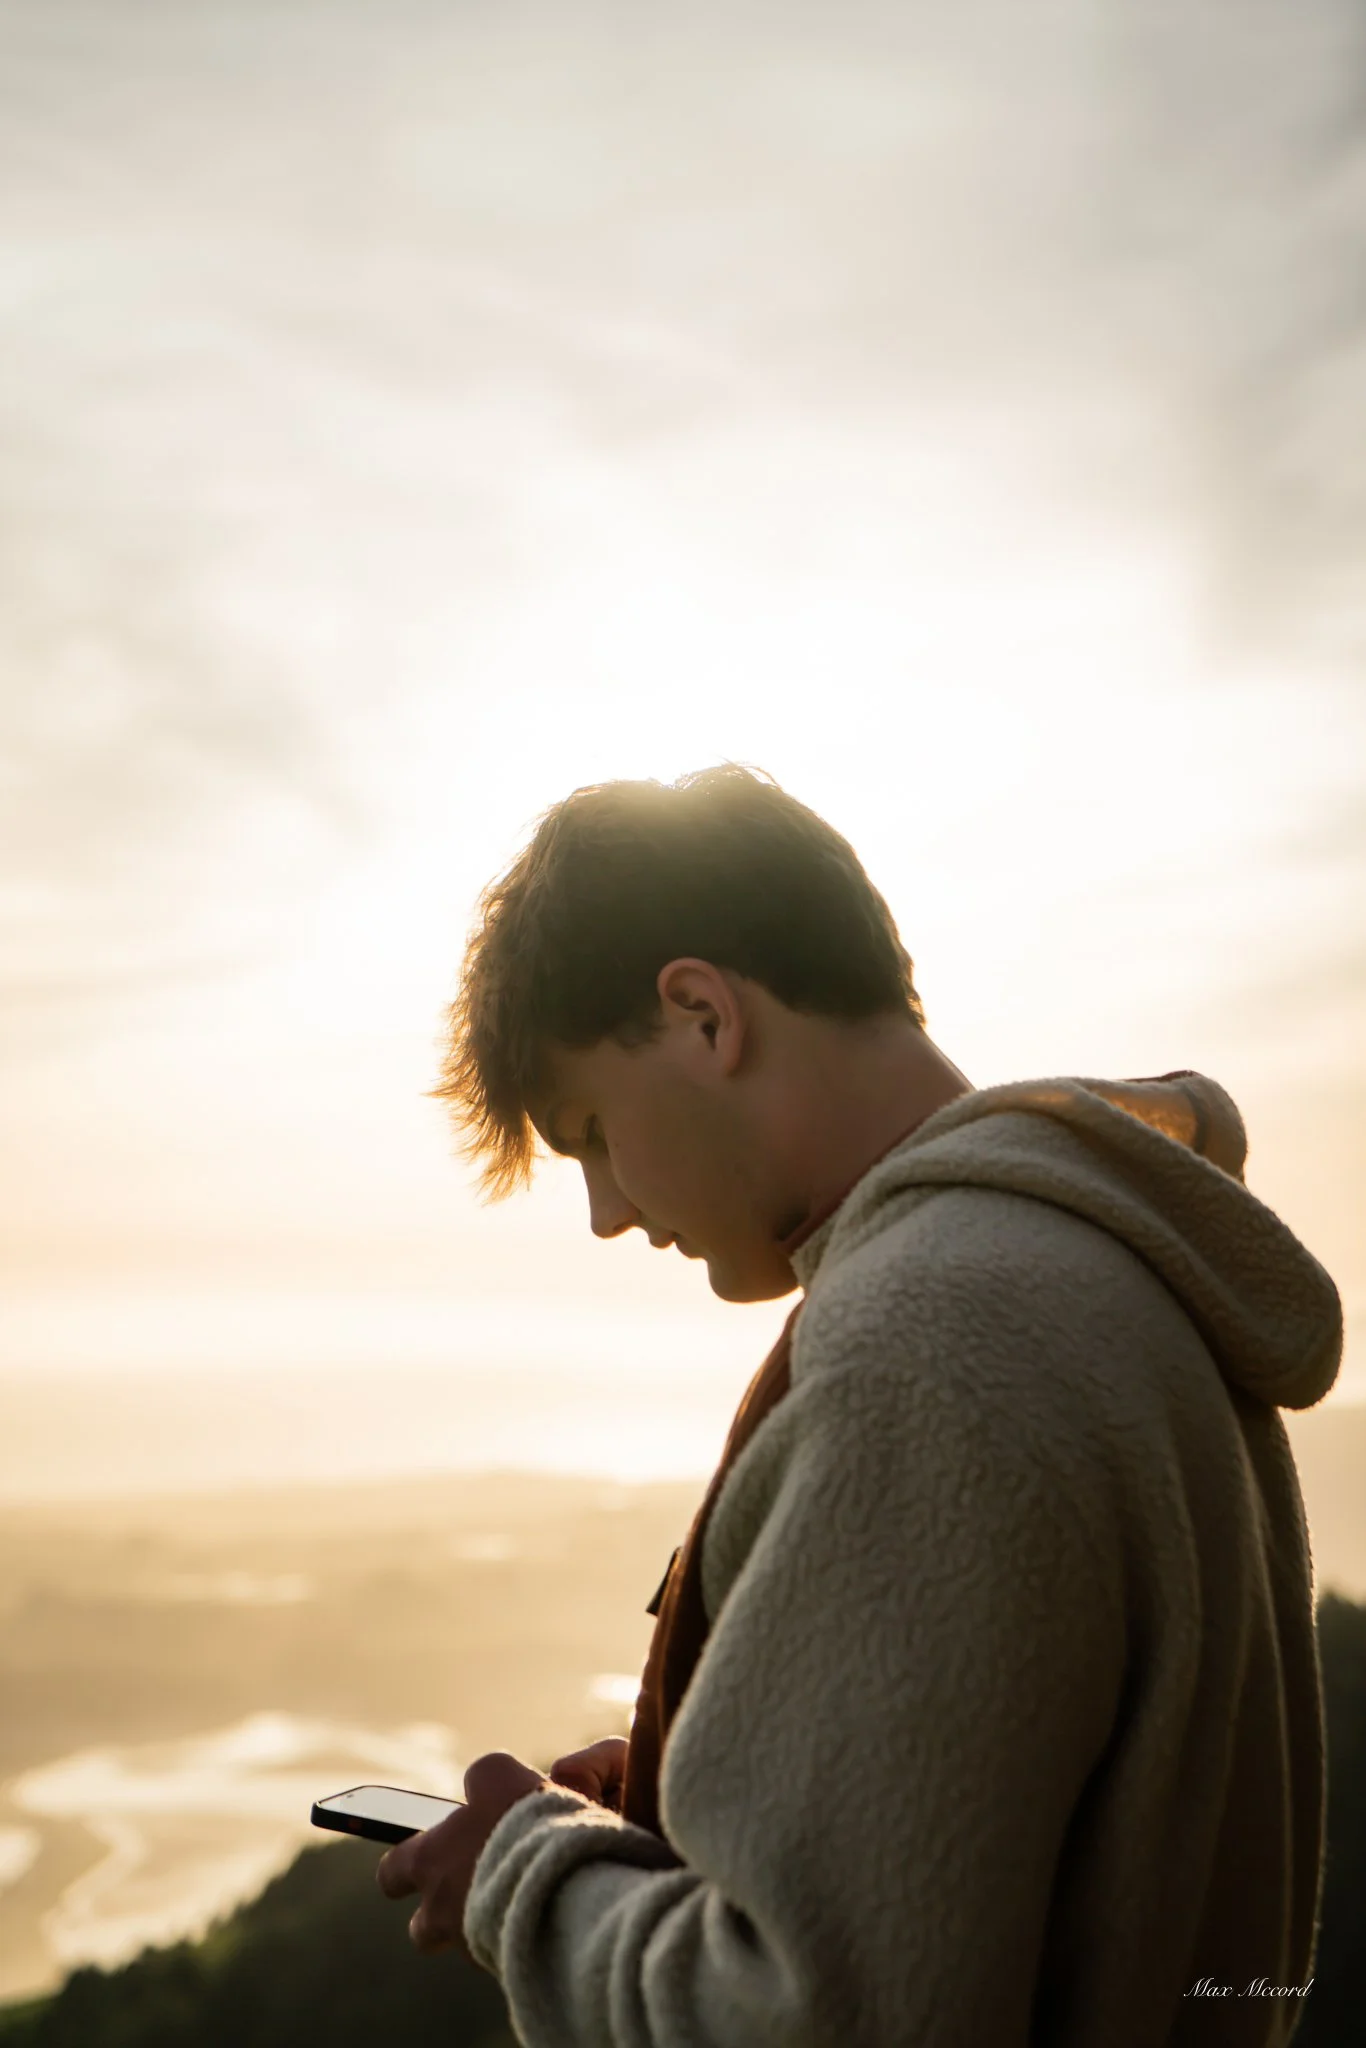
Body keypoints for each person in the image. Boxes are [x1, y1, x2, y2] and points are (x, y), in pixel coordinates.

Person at [375, 762, 1342, 2047]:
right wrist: (712, 1766)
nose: (605, 1210)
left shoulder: (932, 1340)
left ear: (702, 1014)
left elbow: (814, 2016)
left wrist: (529, 1877)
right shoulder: (1102, 1264)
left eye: (591, 1130)